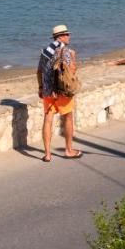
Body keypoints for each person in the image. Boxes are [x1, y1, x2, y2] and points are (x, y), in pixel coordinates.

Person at [37, 24, 80, 161]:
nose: (69, 36)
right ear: (60, 36)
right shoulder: (65, 52)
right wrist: (74, 57)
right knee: (68, 117)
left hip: (48, 91)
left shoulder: (45, 51)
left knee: (48, 120)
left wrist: (40, 87)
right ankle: (68, 150)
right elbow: (71, 71)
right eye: (67, 34)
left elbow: (39, 71)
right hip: (62, 92)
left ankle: (48, 154)